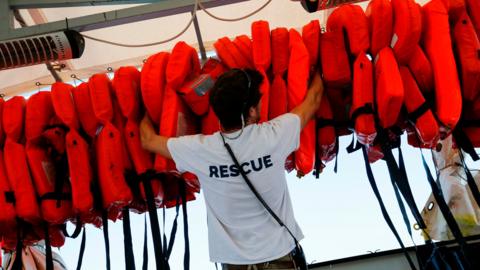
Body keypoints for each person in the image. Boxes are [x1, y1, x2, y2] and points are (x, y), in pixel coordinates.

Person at [140, 68, 324, 270]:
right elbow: (313, 99)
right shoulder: (274, 135)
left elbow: (147, 140)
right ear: (252, 110)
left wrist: (151, 103)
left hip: (235, 265)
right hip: (281, 258)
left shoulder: (200, 150)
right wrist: (315, 70)